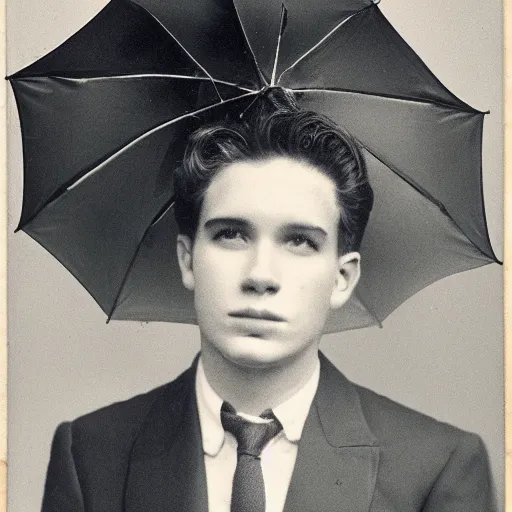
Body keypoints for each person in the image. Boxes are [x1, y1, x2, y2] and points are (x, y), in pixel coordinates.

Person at [41, 89, 495, 512]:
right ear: (188, 259)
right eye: (231, 234)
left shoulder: (439, 470)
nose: (260, 275)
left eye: (299, 241)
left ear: (342, 277)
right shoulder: (89, 457)